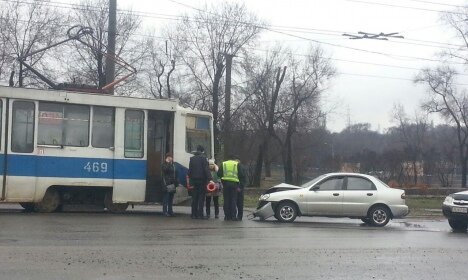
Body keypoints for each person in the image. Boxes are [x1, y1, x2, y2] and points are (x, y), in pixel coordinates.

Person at [218, 154, 246, 221]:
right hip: (234, 184)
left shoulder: (223, 164)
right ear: (234, 159)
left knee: (226, 200)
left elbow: (219, 174)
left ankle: (227, 216)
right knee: (233, 200)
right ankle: (233, 216)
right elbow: (241, 175)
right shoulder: (237, 164)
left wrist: (223, 179)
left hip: (225, 184)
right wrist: (240, 186)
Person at [187, 145, 212, 219]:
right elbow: (206, 170)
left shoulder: (192, 159)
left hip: (194, 181)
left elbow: (189, 171)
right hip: (202, 181)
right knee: (201, 198)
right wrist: (209, 178)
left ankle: (193, 214)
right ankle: (200, 214)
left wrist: (190, 181)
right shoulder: (204, 159)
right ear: (202, 151)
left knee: (194, 198)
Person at [162, 152, 178, 217]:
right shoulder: (164, 164)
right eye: (169, 157)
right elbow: (165, 170)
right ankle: (165, 212)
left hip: (172, 184)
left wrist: (176, 182)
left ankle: (170, 211)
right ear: (167, 158)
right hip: (167, 183)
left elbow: (175, 173)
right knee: (166, 198)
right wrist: (168, 163)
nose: (171, 158)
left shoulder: (173, 165)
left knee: (171, 199)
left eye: (171, 157)